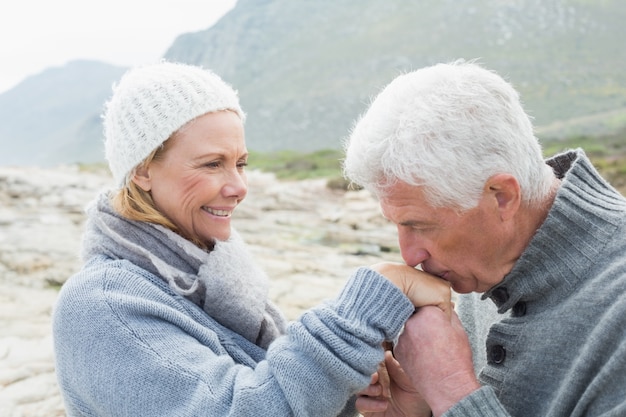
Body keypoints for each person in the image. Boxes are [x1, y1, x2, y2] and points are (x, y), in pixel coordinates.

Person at [51, 61, 452, 417]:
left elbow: (268, 385)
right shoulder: (102, 305)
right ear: (142, 171)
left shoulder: (219, 274)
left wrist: (366, 397)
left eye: (240, 163)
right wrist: (367, 305)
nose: (239, 186)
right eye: (212, 164)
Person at [343, 60, 626, 417]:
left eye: (421, 225)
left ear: (502, 196)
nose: (409, 255)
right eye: (397, 225)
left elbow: (459, 395)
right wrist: (423, 410)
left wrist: (451, 389)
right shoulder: (491, 262)